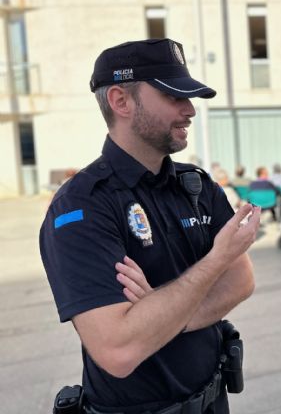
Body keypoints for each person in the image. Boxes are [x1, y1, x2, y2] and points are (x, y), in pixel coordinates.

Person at [39, 38, 261, 414]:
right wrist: (214, 261)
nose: (189, 109)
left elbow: (241, 282)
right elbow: (118, 349)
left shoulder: (196, 185)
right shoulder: (80, 207)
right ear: (120, 101)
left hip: (213, 401)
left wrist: (156, 313)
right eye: (174, 96)